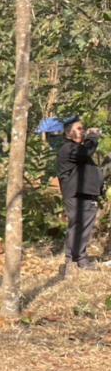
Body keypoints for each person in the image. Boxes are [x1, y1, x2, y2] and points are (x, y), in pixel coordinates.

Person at [57, 117, 103, 275]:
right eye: (79, 128)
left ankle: (77, 259)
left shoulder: (78, 149)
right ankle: (74, 260)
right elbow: (86, 152)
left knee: (83, 227)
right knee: (78, 226)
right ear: (68, 133)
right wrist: (93, 137)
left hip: (85, 194)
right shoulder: (68, 148)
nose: (83, 131)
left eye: (83, 128)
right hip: (76, 195)